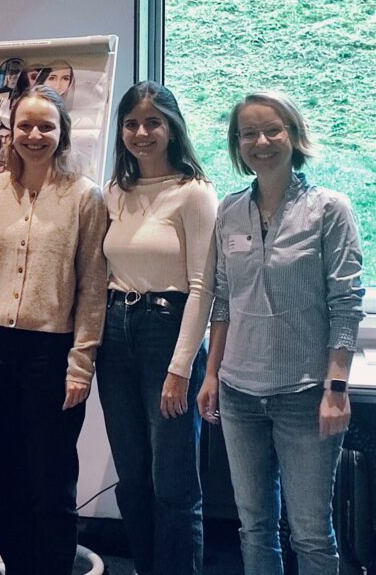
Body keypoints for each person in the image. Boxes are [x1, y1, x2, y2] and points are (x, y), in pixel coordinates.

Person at [197, 91, 363, 574]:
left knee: (310, 533)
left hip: (305, 394)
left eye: (273, 130)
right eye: (248, 133)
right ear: (237, 144)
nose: (261, 142)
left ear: (294, 135)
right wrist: (211, 374)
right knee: (253, 527)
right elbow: (223, 298)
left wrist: (336, 388)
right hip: (239, 393)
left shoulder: (329, 209)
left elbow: (346, 304)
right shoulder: (229, 210)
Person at [0, 85, 108, 575]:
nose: (34, 135)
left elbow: (93, 287)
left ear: (62, 132)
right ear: (11, 131)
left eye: (46, 126)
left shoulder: (85, 197)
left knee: (52, 480)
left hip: (52, 354)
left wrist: (81, 364)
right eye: (25, 125)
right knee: (6, 477)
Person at [96, 81, 216, 575]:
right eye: (131, 124)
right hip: (114, 330)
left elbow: (203, 286)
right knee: (132, 478)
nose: (141, 133)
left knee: (173, 484)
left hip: (167, 331)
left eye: (153, 122)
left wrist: (181, 368)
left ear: (172, 128)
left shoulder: (194, 192)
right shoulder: (114, 192)